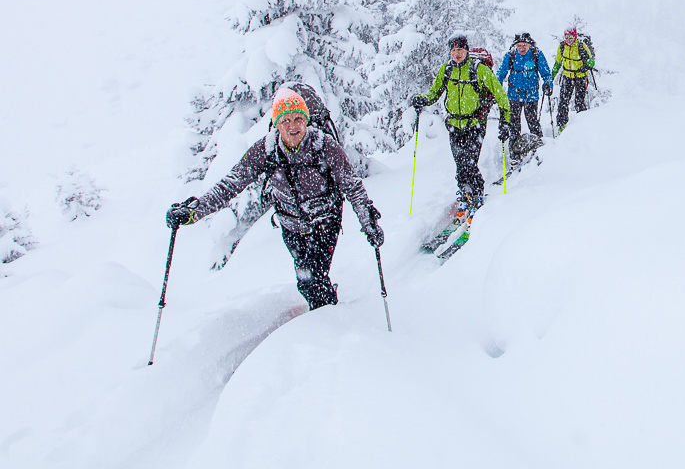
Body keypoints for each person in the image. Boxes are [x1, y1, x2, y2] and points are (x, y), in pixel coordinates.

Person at [165, 87, 384, 311]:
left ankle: (328, 323)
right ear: (277, 124)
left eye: (298, 118)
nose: (293, 125)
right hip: (291, 226)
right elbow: (231, 183)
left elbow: (352, 185)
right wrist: (193, 211)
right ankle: (327, 315)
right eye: (286, 120)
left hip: (325, 221)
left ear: (307, 121)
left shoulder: (324, 145)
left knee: (313, 280)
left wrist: (368, 222)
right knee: (307, 281)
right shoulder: (266, 149)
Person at [411, 33, 512, 207]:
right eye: (454, 50)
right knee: (460, 162)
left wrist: (505, 121)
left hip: (475, 124)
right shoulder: (446, 70)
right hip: (453, 125)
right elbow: (434, 93)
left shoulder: (479, 69)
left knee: (469, 162)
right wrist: (423, 100)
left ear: (467, 50)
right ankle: (465, 192)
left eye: (460, 49)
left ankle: (477, 193)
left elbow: (500, 94)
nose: (457, 53)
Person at [496, 32, 553, 139]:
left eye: (524, 45)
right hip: (514, 95)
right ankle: (515, 152)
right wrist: (496, 90)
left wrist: (548, 84)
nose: (522, 48)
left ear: (530, 45)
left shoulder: (536, 54)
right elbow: (500, 74)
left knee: (533, 123)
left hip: (531, 95)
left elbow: (546, 73)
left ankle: (538, 147)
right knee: (514, 126)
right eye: (519, 45)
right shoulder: (510, 55)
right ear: (515, 45)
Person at [552, 27, 595, 131]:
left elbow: (591, 63)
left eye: (571, 37)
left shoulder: (581, 46)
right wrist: (551, 77)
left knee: (579, 102)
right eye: (567, 37)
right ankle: (561, 126)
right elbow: (557, 63)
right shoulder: (562, 47)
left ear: (575, 37)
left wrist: (586, 64)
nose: (569, 40)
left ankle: (581, 126)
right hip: (567, 77)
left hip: (580, 77)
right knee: (563, 102)